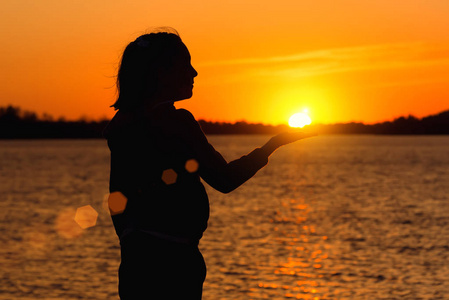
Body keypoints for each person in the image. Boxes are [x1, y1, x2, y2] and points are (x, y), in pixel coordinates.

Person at [104, 27, 315, 300]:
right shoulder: (177, 122)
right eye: (186, 65)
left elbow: (116, 201)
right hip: (175, 265)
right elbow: (224, 179)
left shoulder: (122, 126)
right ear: (162, 73)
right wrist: (271, 146)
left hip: (136, 262)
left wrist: (132, 240)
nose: (194, 73)